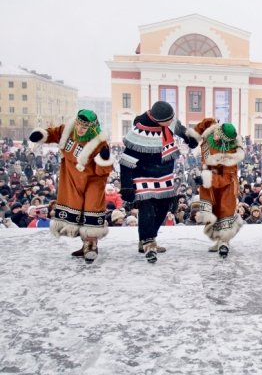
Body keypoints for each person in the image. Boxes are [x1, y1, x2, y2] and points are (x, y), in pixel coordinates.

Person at [28, 109, 113, 263]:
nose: (80, 129)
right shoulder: (67, 130)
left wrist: (104, 158)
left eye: (84, 127)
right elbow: (52, 133)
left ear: (92, 128)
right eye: (79, 125)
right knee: (77, 211)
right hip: (71, 177)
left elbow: (103, 170)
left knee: (91, 210)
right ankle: (84, 244)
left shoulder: (99, 143)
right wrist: (41, 135)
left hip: (93, 180)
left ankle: (91, 246)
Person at [119, 101, 199, 263]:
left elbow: (179, 128)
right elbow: (126, 161)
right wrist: (126, 185)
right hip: (142, 176)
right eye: (168, 121)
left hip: (163, 176)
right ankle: (149, 243)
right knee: (147, 208)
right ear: (157, 120)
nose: (171, 122)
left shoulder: (167, 122)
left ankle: (146, 238)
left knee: (164, 207)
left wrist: (190, 138)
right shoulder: (138, 132)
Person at [189, 118, 245, 257]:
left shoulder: (231, 153)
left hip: (225, 184)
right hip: (209, 180)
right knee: (211, 212)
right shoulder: (212, 130)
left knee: (224, 212)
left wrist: (206, 179)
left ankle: (224, 242)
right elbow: (206, 122)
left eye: (219, 136)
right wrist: (193, 136)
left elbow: (227, 178)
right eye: (217, 132)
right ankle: (219, 240)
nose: (216, 136)